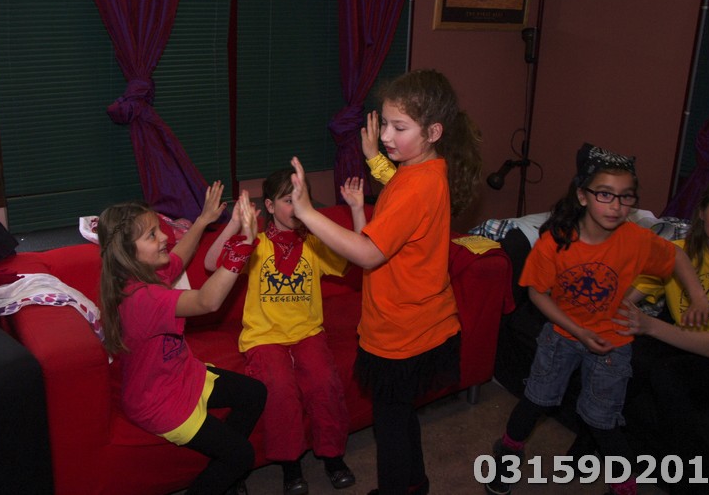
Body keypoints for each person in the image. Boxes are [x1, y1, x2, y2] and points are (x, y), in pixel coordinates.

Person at [287, 69, 482, 495]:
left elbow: (368, 253)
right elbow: (397, 187)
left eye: (400, 127)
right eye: (386, 124)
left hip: (402, 333)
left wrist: (306, 213)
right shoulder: (426, 170)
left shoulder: (417, 187)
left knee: (390, 427)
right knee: (401, 415)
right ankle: (416, 484)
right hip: (421, 323)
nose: (388, 135)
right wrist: (375, 156)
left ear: (433, 131)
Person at [485, 143, 709, 495]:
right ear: (583, 196)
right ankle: (508, 451)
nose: (616, 206)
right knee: (536, 399)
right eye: (605, 194)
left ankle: (624, 484)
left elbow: (677, 258)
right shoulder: (556, 242)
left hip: (612, 342)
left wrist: (698, 297)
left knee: (603, 419)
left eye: (625, 197)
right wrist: (578, 331)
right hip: (562, 335)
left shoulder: (636, 239)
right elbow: (537, 294)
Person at [204, 169, 366, 495]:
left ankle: (332, 456)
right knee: (278, 388)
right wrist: (235, 225)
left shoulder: (315, 242)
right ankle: (290, 465)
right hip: (264, 337)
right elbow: (210, 263)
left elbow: (361, 252)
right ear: (269, 206)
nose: (296, 207)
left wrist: (358, 209)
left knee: (324, 382)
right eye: (288, 201)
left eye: (301, 200)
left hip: (307, 332)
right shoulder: (256, 244)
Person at [98, 183, 267, 495]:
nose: (164, 237)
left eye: (158, 229)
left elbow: (178, 259)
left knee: (253, 393)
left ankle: (225, 471)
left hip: (183, 375)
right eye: (152, 235)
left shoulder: (143, 272)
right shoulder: (140, 298)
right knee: (242, 456)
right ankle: (226, 469)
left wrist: (203, 220)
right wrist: (244, 245)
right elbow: (207, 301)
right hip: (160, 402)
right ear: (127, 252)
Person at [617, 174, 709, 493]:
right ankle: (606, 448)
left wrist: (648, 325)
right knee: (622, 358)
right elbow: (625, 299)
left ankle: (688, 475)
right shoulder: (677, 252)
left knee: (668, 377)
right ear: (702, 212)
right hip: (684, 340)